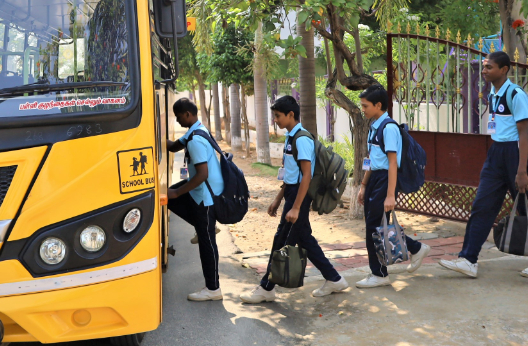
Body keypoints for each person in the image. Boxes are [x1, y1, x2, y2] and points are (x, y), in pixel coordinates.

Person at [440, 51, 528, 278]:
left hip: (515, 154)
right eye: (484, 67)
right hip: (496, 153)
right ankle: (468, 259)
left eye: (489, 67)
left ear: (504, 70)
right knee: (482, 206)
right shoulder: (493, 92)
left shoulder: (515, 94)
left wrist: (521, 171)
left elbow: (523, 134)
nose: (484, 71)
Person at [240, 96, 349, 303]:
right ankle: (334, 278)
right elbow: (290, 174)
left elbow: (306, 176)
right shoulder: (291, 137)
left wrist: (296, 207)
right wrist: (278, 199)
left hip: (300, 196)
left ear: (291, 115)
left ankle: (266, 287)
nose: (275, 120)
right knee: (304, 239)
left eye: (278, 116)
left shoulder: (301, 139)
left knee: (281, 239)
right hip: (292, 193)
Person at [356, 85, 431, 287]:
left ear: (378, 105)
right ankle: (416, 248)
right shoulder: (375, 126)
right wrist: (363, 185)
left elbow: (392, 163)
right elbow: (372, 158)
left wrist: (390, 195)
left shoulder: (389, 128)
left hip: (384, 180)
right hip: (375, 179)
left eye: (365, 105)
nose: (363, 109)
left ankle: (379, 274)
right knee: (376, 227)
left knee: (374, 228)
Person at [166, 98, 225, 302]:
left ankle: (213, 289)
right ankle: (204, 227)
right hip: (202, 191)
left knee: (207, 244)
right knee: (167, 196)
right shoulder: (195, 130)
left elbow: (202, 174)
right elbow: (173, 146)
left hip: (205, 196)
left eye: (178, 117)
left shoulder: (195, 140)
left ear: (188, 115)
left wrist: (177, 193)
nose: (177, 120)